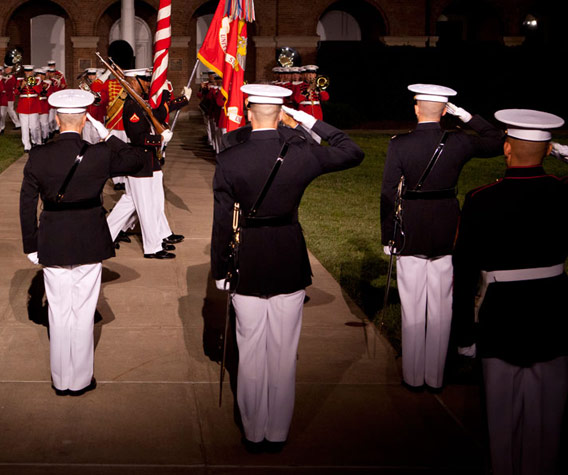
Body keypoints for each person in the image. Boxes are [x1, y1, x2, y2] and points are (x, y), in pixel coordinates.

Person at [211, 84, 364, 452]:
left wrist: (220, 269)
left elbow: (220, 224)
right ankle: (277, 432)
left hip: (247, 259)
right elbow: (351, 151)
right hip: (288, 256)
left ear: (248, 113)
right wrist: (309, 121)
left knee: (248, 351)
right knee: (283, 350)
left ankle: (253, 431)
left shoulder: (230, 160)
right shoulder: (303, 154)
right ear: (282, 114)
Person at [452, 109, 568, 475]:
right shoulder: (561, 194)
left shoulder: (481, 199)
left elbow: (465, 270)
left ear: (506, 148)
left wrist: (464, 333)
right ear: (549, 149)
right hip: (553, 312)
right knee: (549, 423)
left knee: (499, 422)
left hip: (501, 315)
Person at [19, 89, 145, 395]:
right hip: (88, 236)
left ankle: (61, 379)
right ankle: (81, 379)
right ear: (85, 120)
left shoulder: (39, 156)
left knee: (59, 311)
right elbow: (139, 160)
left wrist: (31, 244)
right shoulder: (100, 154)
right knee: (84, 310)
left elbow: (26, 204)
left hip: (53, 238)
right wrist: (108, 136)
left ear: (56, 118)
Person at [380, 84, 504, 392]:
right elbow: (497, 141)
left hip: (411, 228)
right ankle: (435, 377)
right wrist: (467, 117)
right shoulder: (459, 141)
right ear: (445, 111)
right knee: (440, 305)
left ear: (416, 108)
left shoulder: (400, 144)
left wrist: (389, 234)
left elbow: (387, 193)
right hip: (447, 228)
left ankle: (413, 375)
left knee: (412, 305)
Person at [105, 68, 186, 259]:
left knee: (130, 202)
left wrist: (174, 97)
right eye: (145, 80)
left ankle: (104, 235)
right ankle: (152, 246)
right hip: (138, 161)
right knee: (146, 206)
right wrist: (159, 139)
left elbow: (157, 113)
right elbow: (137, 137)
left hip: (147, 160)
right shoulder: (132, 106)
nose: (149, 84)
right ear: (134, 81)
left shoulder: (140, 103)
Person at [16, 65, 42, 152]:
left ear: (32, 72)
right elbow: (16, 92)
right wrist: (21, 86)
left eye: (29, 71)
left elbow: (39, 91)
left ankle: (35, 141)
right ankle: (26, 145)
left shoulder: (37, 80)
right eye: (26, 71)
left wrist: (32, 83)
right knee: (24, 126)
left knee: (34, 126)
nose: (28, 73)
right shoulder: (19, 80)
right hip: (23, 105)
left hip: (33, 105)